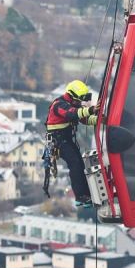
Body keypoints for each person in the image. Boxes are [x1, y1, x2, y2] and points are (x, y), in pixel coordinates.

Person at [46, 80, 98, 208]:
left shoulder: (73, 104)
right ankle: (80, 197)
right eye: (79, 100)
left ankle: (86, 194)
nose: (80, 103)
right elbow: (72, 114)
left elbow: (84, 118)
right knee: (75, 163)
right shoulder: (59, 105)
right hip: (58, 141)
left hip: (66, 140)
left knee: (80, 164)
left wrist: (100, 119)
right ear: (72, 96)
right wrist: (90, 110)